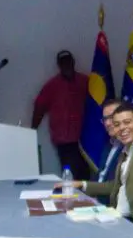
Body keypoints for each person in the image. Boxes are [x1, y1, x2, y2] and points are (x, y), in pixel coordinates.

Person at [71, 98, 133, 226]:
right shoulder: (124, 151)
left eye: (127, 122)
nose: (122, 128)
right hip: (117, 216)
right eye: (117, 124)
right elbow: (116, 186)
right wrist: (83, 184)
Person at [32, 50, 90, 180]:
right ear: (59, 65)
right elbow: (39, 107)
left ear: (73, 62)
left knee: (86, 173)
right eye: (63, 63)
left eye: (68, 62)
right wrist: (32, 129)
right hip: (65, 141)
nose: (66, 65)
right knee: (70, 174)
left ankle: (86, 193)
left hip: (85, 138)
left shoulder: (85, 81)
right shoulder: (52, 85)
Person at [95, 99, 123, 183]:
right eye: (105, 119)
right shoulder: (108, 145)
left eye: (111, 117)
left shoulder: (128, 147)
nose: (107, 123)